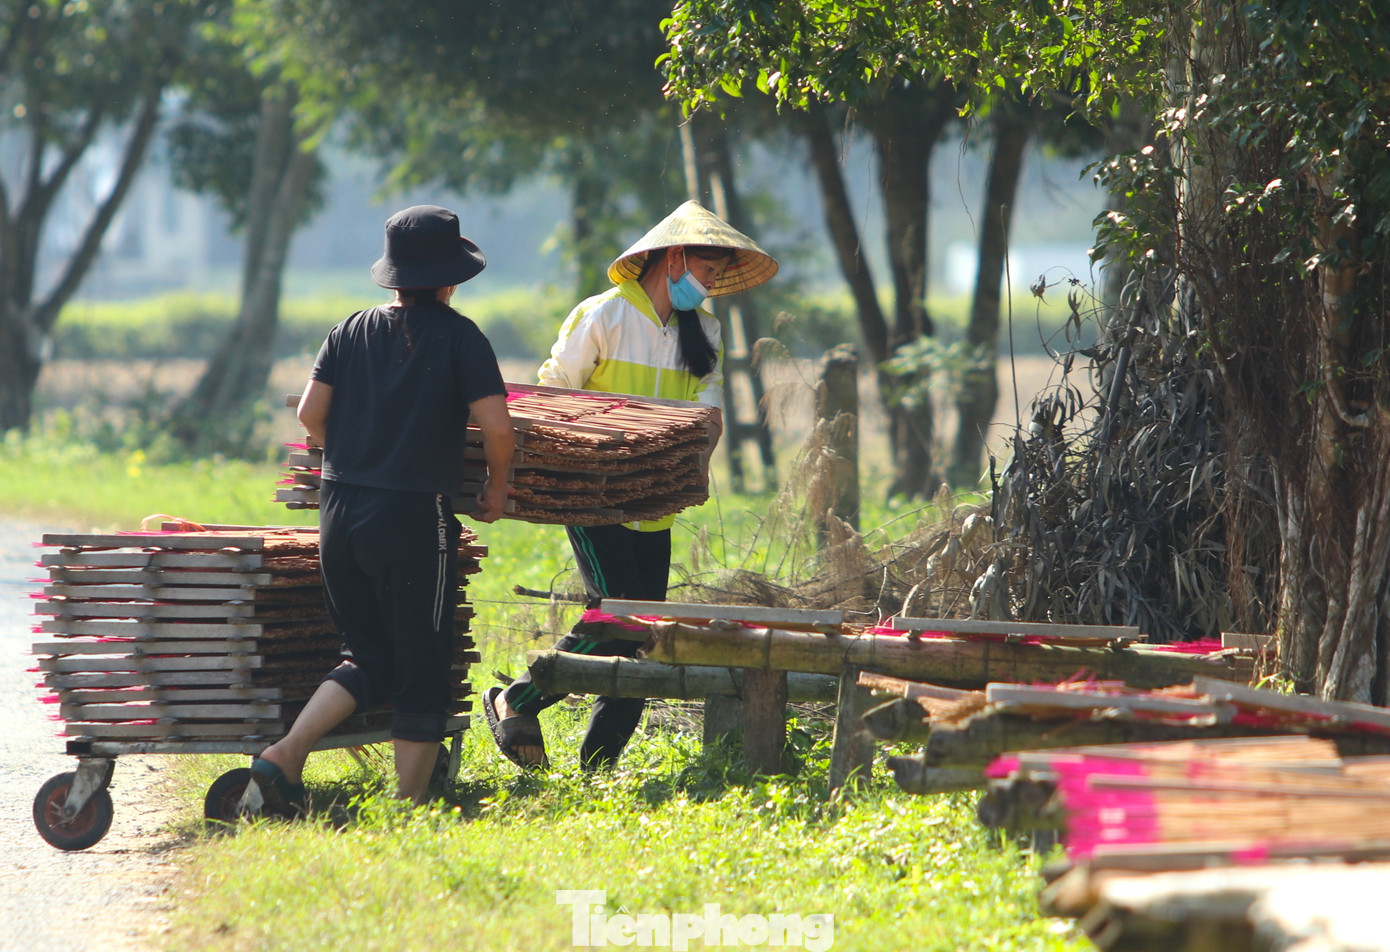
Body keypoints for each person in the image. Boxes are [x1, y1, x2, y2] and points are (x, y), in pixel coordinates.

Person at [485, 199, 777, 771]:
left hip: (657, 504)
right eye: (706, 272)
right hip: (592, 496)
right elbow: (552, 393)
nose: (711, 286)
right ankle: (516, 698)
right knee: (617, 615)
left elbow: (708, 417)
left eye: (718, 276)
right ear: (673, 260)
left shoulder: (706, 331)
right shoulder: (603, 315)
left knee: (641, 638)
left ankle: (595, 771)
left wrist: (694, 463)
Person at [249, 204, 515, 813]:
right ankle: (405, 810)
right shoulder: (461, 337)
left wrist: (358, 454)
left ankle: (283, 756)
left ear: (394, 275)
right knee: (423, 665)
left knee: (365, 655)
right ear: (450, 279)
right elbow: (498, 429)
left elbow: (309, 417)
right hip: (415, 518)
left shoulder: (348, 330)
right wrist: (496, 488)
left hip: (340, 511)